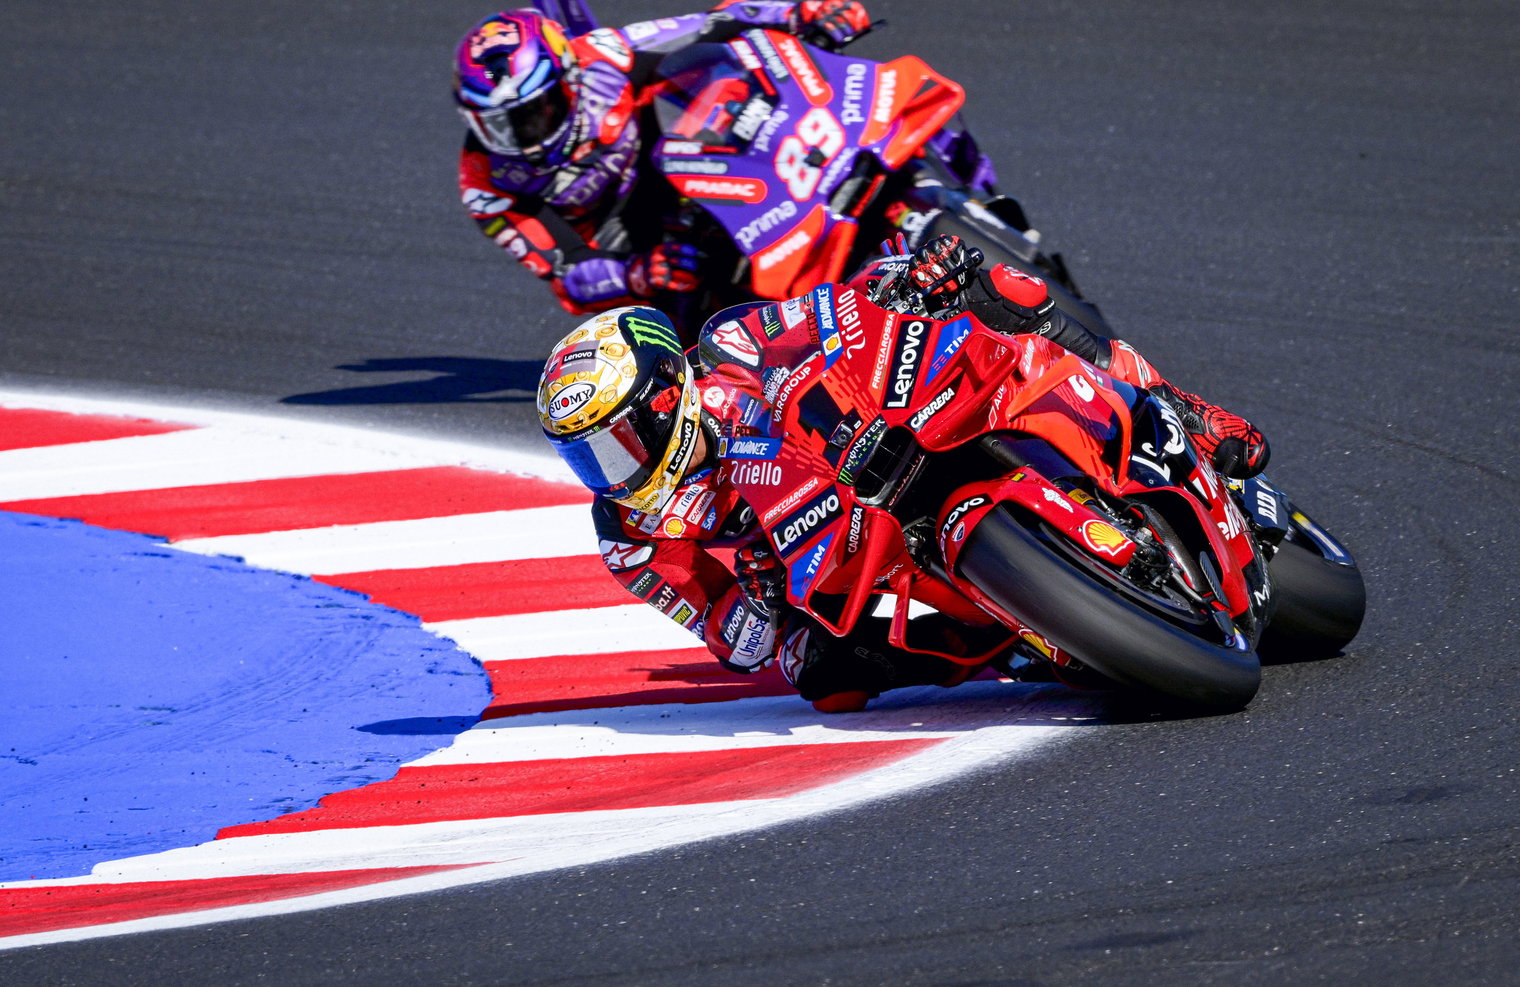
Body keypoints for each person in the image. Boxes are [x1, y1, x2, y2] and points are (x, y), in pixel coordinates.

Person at [537, 236, 1269, 712]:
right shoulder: (629, 535)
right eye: (589, 455)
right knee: (822, 678)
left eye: (619, 440)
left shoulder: (729, 346)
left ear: (669, 396)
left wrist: (901, 283)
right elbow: (726, 634)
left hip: (872, 431)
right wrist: (759, 612)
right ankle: (1011, 639)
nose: (613, 469)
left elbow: (820, 317)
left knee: (995, 288)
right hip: (820, 550)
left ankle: (1190, 412)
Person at [454, 0, 871, 326]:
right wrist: (639, 273)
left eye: (532, 113)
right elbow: (568, 276)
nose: (523, 138)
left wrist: (802, 15)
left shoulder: (604, 56)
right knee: (696, 326)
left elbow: (714, 23)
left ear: (569, 79)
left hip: (685, 164)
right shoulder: (486, 182)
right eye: (499, 125)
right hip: (630, 246)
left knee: (737, 89)